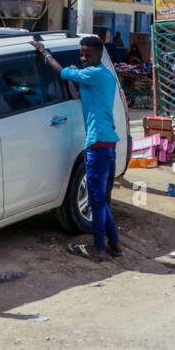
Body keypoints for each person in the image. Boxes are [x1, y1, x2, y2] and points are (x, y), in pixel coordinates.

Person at [34, 36, 121, 262]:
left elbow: (61, 72)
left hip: (97, 143)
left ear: (99, 54)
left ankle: (99, 248)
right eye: (81, 54)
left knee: (96, 200)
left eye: (87, 55)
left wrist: (44, 53)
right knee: (101, 198)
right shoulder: (104, 75)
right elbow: (77, 94)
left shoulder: (92, 74)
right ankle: (114, 244)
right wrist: (75, 76)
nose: (83, 58)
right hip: (108, 142)